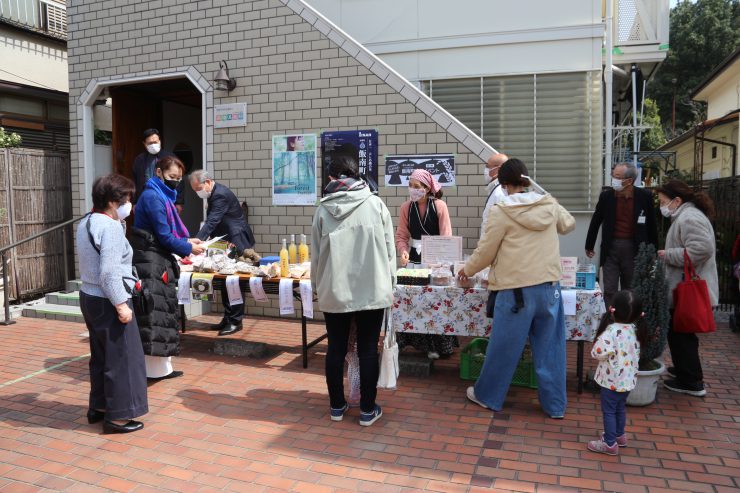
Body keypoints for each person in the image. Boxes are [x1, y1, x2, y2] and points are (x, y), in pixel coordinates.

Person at [458, 158, 576, 418]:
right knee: (551, 351)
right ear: (526, 179)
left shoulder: (502, 210)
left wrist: (466, 270)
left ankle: (488, 396)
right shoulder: (547, 203)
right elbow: (569, 225)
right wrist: (552, 201)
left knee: (503, 349)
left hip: (516, 292)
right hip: (549, 288)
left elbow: (486, 252)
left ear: (503, 183)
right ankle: (555, 406)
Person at [311, 155, 395, 427]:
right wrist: (389, 283)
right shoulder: (375, 204)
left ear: (331, 178)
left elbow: (316, 255)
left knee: (335, 348)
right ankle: (368, 411)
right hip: (372, 288)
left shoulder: (323, 209)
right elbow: (390, 251)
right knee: (368, 349)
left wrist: (317, 286)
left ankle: (337, 406)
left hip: (335, 289)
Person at [77, 174, 148, 433]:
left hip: (89, 296)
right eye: (126, 198)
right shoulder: (110, 227)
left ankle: (99, 407)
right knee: (123, 359)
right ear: (111, 201)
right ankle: (118, 417)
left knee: (101, 356)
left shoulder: (87, 221)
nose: (130, 203)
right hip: (109, 297)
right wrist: (121, 304)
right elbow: (109, 272)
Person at [131, 156, 206, 380]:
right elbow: (164, 236)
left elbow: (168, 234)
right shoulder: (154, 197)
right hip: (151, 262)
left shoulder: (161, 195)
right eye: (172, 177)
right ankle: (153, 371)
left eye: (178, 179)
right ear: (159, 173)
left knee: (161, 315)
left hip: (157, 259)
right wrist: (188, 248)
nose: (175, 182)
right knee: (155, 315)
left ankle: (163, 368)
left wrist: (188, 242)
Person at [656, 179, 718, 397]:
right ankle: (685, 370)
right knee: (679, 332)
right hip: (681, 285)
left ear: (677, 200)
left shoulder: (689, 217)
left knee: (681, 333)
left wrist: (668, 254)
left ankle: (691, 381)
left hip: (687, 287)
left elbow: (702, 249)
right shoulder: (685, 215)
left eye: (663, 201)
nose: (661, 205)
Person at [395, 168, 457, 359]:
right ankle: (411, 342)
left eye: (417, 187)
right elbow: (402, 235)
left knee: (434, 301)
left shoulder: (440, 206)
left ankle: (437, 345)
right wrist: (403, 250)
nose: (413, 190)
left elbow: (446, 237)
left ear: (427, 188)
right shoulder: (406, 207)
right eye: (410, 186)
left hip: (435, 260)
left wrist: (438, 262)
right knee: (411, 299)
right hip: (413, 258)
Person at [189, 169, 256, 336]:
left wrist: (197, 242)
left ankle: (236, 321)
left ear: (208, 182)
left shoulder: (220, 195)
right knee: (225, 281)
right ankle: (228, 317)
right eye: (195, 190)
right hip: (224, 242)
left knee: (235, 282)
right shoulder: (214, 194)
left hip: (236, 241)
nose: (198, 192)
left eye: (198, 188)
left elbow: (212, 221)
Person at [585, 162, 658, 304]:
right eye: (613, 175)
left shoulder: (645, 196)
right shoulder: (606, 197)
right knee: (610, 288)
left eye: (617, 176)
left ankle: (629, 322)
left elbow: (652, 225)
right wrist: (589, 245)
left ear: (629, 181)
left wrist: (653, 251)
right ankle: (610, 321)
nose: (613, 178)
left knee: (631, 288)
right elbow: (596, 220)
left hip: (634, 248)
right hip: (611, 247)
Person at [587, 290, 647, 456]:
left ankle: (609, 443)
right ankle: (620, 436)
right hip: (627, 380)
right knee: (620, 408)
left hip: (611, 381)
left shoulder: (611, 332)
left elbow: (596, 352)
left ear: (613, 309)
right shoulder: (635, 329)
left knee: (609, 411)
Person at [132, 128, 184, 213]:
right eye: (150, 143)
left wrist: (178, 202)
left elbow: (179, 180)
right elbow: (135, 181)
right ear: (144, 144)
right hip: (144, 201)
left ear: (159, 141)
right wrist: (134, 202)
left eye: (155, 142)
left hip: (166, 200)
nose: (153, 145)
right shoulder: (139, 160)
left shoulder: (170, 158)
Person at [481, 152, 509, 238]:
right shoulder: (495, 189)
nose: (485, 170)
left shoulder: (500, 192)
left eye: (488, 166)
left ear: (499, 169)